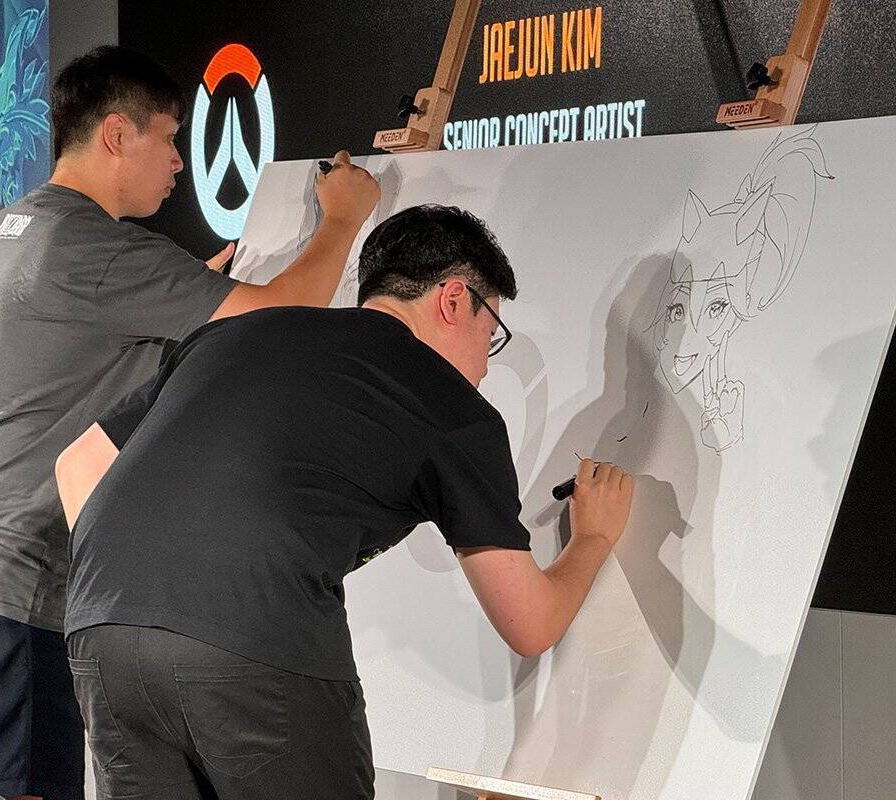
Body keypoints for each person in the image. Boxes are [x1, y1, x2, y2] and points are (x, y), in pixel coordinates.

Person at [0, 45, 379, 800]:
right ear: (118, 134)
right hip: (8, 578)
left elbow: (60, 361)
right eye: (170, 138)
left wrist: (181, 304)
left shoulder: (4, 230)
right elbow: (279, 315)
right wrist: (341, 221)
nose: (180, 162)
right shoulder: (96, 248)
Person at [55, 204, 636, 800]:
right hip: (251, 639)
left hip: (100, 629)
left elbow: (77, 464)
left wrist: (142, 585)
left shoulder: (234, 334)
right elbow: (530, 624)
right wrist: (592, 537)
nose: (486, 367)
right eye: (492, 335)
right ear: (454, 299)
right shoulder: (451, 406)